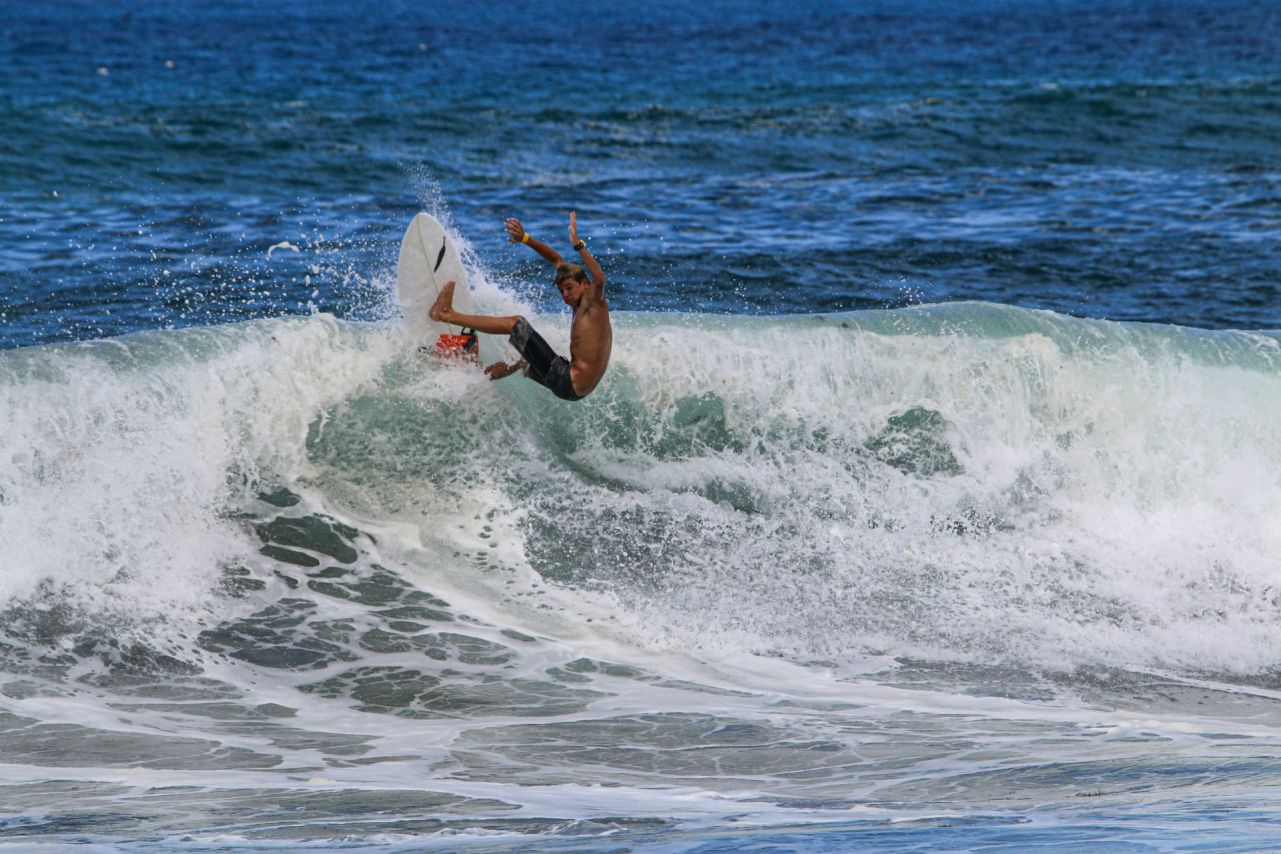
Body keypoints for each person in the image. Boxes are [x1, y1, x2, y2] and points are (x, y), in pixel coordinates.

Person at [429, 211, 611, 401]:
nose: (565, 295)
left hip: (567, 380)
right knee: (522, 361)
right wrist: (525, 238)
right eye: (561, 290)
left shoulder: (593, 304)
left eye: (569, 288)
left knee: (516, 324)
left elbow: (599, 279)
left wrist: (577, 243)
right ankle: (473, 377)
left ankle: (446, 314)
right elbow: (557, 260)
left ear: (585, 285)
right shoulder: (582, 304)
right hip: (573, 387)